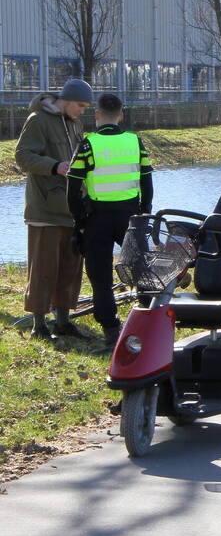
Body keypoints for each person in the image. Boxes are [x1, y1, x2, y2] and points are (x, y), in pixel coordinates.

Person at [66, 93, 153, 349]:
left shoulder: (87, 144)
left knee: (100, 276)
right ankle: (147, 325)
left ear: (97, 115)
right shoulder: (135, 142)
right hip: (130, 215)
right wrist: (144, 214)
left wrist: (79, 219)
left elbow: (72, 188)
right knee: (142, 272)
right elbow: (147, 181)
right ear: (121, 115)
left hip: (98, 217)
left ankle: (111, 331)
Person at [14, 79, 93, 341]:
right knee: (44, 269)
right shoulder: (38, 120)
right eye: (80, 105)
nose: (83, 110)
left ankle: (63, 321)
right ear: (67, 99)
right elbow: (22, 156)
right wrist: (55, 166)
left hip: (72, 209)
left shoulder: (75, 124)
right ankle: (39, 324)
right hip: (45, 210)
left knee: (70, 267)